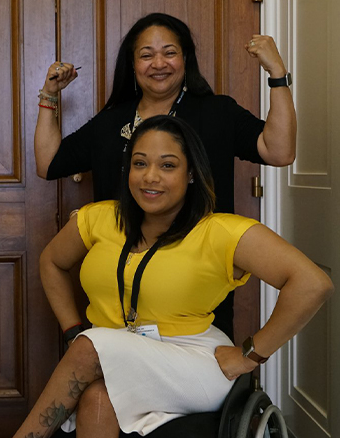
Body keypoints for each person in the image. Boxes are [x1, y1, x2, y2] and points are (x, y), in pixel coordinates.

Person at [0, 115, 332, 438]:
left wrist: (252, 352)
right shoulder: (100, 218)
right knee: (95, 397)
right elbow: (51, 263)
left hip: (191, 360)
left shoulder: (221, 231)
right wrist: (74, 327)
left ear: (191, 173)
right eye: (140, 163)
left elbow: (312, 283)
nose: (150, 177)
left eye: (168, 165)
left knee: (90, 348)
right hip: (109, 351)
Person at [35, 12, 296, 338]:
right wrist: (49, 95)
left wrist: (277, 74)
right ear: (132, 64)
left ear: (185, 59)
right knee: (109, 384)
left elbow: (280, 151)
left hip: (194, 284)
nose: (159, 63)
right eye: (146, 55)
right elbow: (49, 164)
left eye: (169, 52)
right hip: (119, 281)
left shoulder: (217, 112)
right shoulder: (111, 121)